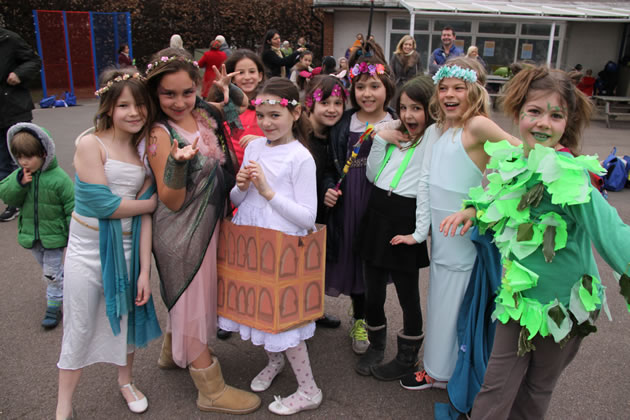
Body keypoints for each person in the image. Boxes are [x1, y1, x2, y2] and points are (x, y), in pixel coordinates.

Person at [438, 66, 630, 420]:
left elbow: (613, 233)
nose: (543, 123)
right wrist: (472, 209)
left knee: (537, 389)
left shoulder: (571, 179)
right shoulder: (514, 162)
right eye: (535, 112)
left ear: (567, 122)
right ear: (518, 113)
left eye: (555, 115)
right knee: (496, 385)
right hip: (518, 302)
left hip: (564, 307)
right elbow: (500, 197)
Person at [144, 47, 260, 414]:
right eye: (168, 94)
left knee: (197, 296)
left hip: (209, 226)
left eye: (186, 92)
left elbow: (236, 128)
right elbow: (172, 200)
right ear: (154, 94)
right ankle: (210, 388)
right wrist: (179, 165)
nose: (179, 101)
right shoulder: (159, 134)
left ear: (197, 88)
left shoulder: (203, 115)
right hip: (181, 232)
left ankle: (172, 350)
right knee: (192, 299)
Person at [394, 57, 519, 390]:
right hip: (441, 241)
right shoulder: (438, 130)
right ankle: (439, 368)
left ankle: (445, 373)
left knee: (457, 306)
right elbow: (425, 182)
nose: (449, 94)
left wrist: (483, 205)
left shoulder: (476, 126)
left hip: (464, 238)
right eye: (443, 88)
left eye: (458, 88)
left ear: (473, 91)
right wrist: (420, 233)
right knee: (440, 303)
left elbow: (523, 158)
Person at [55, 68, 162, 419]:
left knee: (127, 318)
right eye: (124, 106)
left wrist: (146, 271)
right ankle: (64, 404)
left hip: (130, 252)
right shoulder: (91, 143)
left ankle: (126, 381)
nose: (134, 113)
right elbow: (102, 204)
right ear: (108, 109)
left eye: (140, 105)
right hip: (86, 251)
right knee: (80, 325)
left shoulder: (145, 151)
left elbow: (144, 219)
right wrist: (148, 203)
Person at [218, 77, 322, 415]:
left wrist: (268, 191)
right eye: (261, 115)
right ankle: (274, 362)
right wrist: (241, 185)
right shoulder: (253, 147)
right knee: (260, 310)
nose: (266, 123)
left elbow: (307, 217)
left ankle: (309, 389)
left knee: (286, 321)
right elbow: (237, 199)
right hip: (251, 240)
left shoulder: (301, 157)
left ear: (295, 113)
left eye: (275, 115)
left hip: (282, 246)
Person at [356, 76, 435, 379]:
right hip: (376, 214)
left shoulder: (433, 138)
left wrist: (419, 233)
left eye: (417, 108)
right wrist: (380, 139)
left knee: (407, 294)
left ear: (431, 110)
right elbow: (373, 175)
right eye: (403, 107)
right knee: (372, 291)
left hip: (405, 218)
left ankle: (407, 355)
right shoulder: (394, 134)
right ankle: (377, 345)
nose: (408, 115)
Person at [323, 57, 397, 356]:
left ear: (386, 88)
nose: (367, 93)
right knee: (354, 262)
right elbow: (329, 163)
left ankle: (374, 316)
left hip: (381, 201)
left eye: (374, 86)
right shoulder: (344, 122)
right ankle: (360, 317)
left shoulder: (398, 120)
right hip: (349, 202)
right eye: (361, 86)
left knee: (376, 263)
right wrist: (328, 186)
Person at [0, 122, 74, 328]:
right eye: (19, 157)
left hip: (54, 236)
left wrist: (72, 233)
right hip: (31, 236)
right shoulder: (19, 176)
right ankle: (69, 283)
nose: (24, 162)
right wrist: (19, 183)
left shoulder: (58, 178)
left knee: (50, 274)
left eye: (29, 156)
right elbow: (7, 196)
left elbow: (71, 205)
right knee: (51, 270)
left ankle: (53, 306)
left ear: (44, 153)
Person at [303, 75, 349, 329]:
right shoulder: (298, 133)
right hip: (299, 211)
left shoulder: (336, 134)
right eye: (325, 103)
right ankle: (297, 320)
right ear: (311, 103)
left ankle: (314, 309)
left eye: (338, 103)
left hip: (325, 210)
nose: (332, 109)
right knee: (298, 265)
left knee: (318, 263)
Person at [0, 27, 41, 222]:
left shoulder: (9, 38)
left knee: (21, 155)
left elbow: (34, 61)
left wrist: (19, 73)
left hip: (14, 108)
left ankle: (31, 200)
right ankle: (13, 199)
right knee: (1, 162)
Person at [223, 49, 266, 165]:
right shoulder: (224, 106)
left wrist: (263, 141)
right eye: (241, 73)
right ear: (232, 78)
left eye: (252, 72)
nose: (247, 77)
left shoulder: (269, 105)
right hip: (231, 172)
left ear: (260, 75)